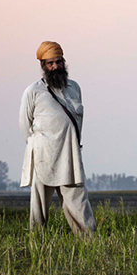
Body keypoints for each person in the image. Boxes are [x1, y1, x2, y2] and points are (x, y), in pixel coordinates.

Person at [19, 41, 96, 237]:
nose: (55, 67)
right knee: (39, 208)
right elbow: (24, 126)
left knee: (78, 202)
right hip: (44, 156)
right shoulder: (33, 91)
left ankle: (90, 242)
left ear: (64, 62)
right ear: (43, 66)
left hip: (70, 156)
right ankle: (36, 243)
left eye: (58, 62)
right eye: (50, 63)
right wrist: (40, 145)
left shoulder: (74, 88)